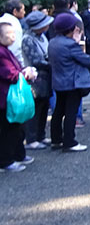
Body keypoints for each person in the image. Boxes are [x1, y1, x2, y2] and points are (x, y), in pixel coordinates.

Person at [48, 12, 90, 151]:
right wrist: (78, 42)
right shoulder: (70, 45)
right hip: (72, 83)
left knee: (58, 111)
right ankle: (70, 142)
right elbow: (87, 60)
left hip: (58, 81)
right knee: (71, 112)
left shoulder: (52, 42)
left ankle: (56, 140)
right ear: (70, 29)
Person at [0, 22, 38, 171]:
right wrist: (26, 73)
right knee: (9, 129)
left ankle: (18, 154)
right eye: (9, 34)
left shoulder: (6, 50)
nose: (13, 36)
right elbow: (9, 73)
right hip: (5, 97)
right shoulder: (1, 53)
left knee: (17, 127)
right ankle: (6, 161)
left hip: (9, 95)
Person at [20, 10, 54, 150]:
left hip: (45, 77)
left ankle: (41, 135)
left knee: (44, 107)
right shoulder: (27, 39)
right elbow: (35, 60)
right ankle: (31, 138)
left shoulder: (42, 37)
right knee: (34, 108)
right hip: (34, 79)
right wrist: (52, 64)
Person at [0, 0, 26, 64]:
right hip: (8, 62)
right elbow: (16, 49)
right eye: (23, 10)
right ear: (15, 11)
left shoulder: (1, 20)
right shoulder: (14, 24)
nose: (24, 12)